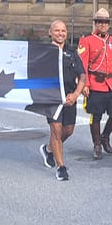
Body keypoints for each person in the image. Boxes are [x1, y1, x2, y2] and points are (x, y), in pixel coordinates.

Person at [39, 19, 86, 181]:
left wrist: (76, 95)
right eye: (57, 30)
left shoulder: (72, 53)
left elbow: (82, 76)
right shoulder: (43, 52)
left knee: (68, 131)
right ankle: (61, 167)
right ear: (50, 32)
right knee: (56, 130)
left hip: (69, 97)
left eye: (63, 31)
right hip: (51, 98)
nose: (60, 33)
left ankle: (49, 149)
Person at [78, 7, 112, 159]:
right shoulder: (86, 40)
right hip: (95, 83)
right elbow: (82, 64)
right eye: (100, 21)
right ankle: (97, 144)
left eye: (106, 22)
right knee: (96, 115)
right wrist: (85, 84)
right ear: (95, 23)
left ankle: (105, 135)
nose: (103, 24)